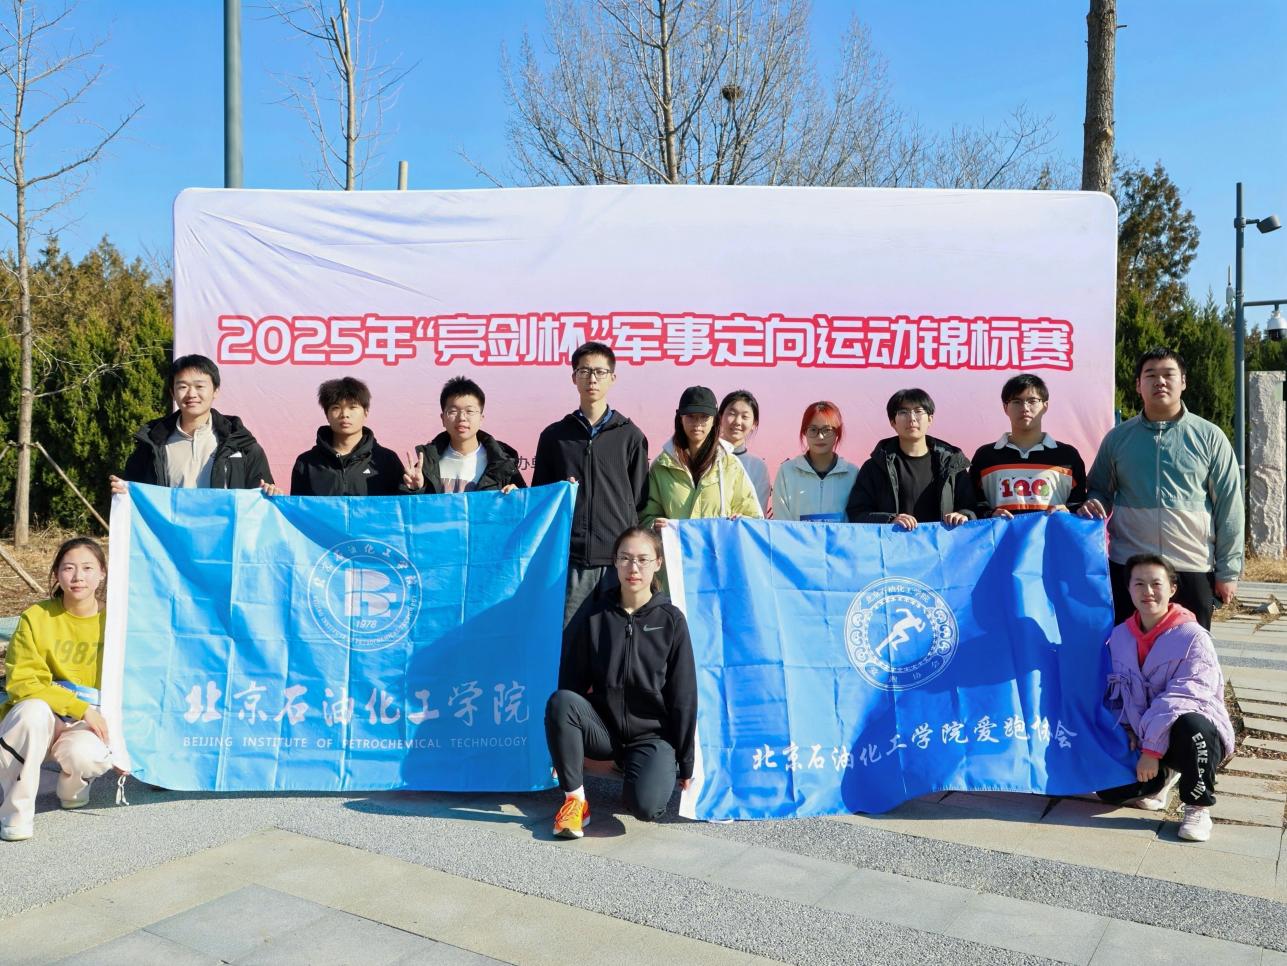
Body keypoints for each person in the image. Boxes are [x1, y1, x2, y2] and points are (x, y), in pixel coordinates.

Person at [544, 526, 696, 838]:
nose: (633, 567)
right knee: (561, 701)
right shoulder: (595, 615)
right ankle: (575, 802)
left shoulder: (671, 620)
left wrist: (686, 762)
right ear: (614, 561)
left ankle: (639, 768)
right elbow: (571, 682)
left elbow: (684, 696)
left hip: (651, 736)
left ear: (658, 563)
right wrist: (560, 747)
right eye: (625, 558)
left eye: (642, 559)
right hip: (605, 731)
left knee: (646, 808)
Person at [1080, 347, 1243, 629]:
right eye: (1151, 375)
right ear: (1138, 385)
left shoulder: (1210, 437)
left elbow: (1229, 507)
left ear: (1183, 382)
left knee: (1189, 648)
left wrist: (1228, 572)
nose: (1160, 382)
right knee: (1129, 647)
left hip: (1191, 565)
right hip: (1130, 566)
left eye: (1169, 374)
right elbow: (1098, 490)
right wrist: (1094, 503)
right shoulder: (1118, 439)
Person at [1096, 554, 1234, 843]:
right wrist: (1125, 728)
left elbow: (1186, 696)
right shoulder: (1119, 637)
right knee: (1110, 792)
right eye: (1139, 584)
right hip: (1144, 735)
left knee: (1193, 726)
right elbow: (1115, 693)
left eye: (1156, 584)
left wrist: (1152, 749)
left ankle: (1197, 805)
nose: (1148, 591)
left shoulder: (1193, 636)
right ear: (1128, 589)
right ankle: (1161, 779)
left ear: (1172, 588)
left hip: (1187, 733)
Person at [0, 538, 114, 842]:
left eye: (87, 568)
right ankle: (15, 813)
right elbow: (22, 681)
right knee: (32, 712)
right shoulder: (36, 617)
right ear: (56, 574)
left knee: (86, 757)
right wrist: (79, 708)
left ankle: (74, 785)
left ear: (102, 573)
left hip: (87, 724)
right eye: (68, 568)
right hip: (43, 718)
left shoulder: (116, 622)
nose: (78, 577)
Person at [532, 342, 650, 630]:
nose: (592, 379)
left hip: (618, 562)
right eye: (584, 371)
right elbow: (541, 496)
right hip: (570, 561)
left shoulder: (630, 437)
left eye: (600, 372)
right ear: (574, 377)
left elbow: (638, 499)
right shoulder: (555, 437)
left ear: (612, 378)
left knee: (616, 638)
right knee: (569, 639)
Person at [110, 354, 273, 494]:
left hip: (224, 523)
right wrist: (125, 493)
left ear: (215, 390)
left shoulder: (241, 443)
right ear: (172, 392)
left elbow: (261, 497)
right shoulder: (151, 444)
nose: (191, 394)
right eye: (183, 387)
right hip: (171, 523)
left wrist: (271, 492)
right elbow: (137, 494)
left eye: (199, 386)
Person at [845, 388, 976, 529]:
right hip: (894, 542)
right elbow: (858, 513)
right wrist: (890, 520)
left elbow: (972, 508)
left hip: (943, 542)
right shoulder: (875, 466)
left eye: (918, 411)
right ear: (893, 422)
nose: (912, 418)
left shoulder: (952, 463)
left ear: (930, 419)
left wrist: (964, 515)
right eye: (903, 412)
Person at [641, 386, 763, 528]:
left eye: (704, 417)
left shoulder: (730, 464)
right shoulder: (661, 466)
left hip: (718, 543)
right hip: (676, 543)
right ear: (680, 418)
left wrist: (743, 521)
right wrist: (655, 525)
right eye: (691, 416)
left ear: (714, 420)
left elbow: (754, 518)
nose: (697, 423)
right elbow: (646, 518)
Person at [970, 373, 1087, 518]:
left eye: (1032, 401)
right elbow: (972, 505)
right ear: (1005, 407)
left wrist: (1068, 512)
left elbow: (1080, 506)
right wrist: (990, 514)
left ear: (1045, 406)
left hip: (1052, 534)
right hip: (1002, 534)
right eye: (1016, 401)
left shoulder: (1068, 456)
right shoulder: (985, 456)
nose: (1025, 408)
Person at [401, 376, 526, 494]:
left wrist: (517, 497)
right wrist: (416, 490)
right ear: (443, 418)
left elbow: (527, 505)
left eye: (469, 411)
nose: (461, 418)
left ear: (481, 418)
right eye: (453, 411)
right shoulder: (427, 465)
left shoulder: (502, 463)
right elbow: (407, 506)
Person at [290, 377, 404, 496]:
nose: (345, 414)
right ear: (327, 415)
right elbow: (298, 506)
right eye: (336, 408)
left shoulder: (386, 460)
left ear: (366, 412)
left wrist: (413, 489)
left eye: (352, 407)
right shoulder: (307, 463)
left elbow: (402, 505)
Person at [772, 401, 858, 522]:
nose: (820, 436)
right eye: (813, 429)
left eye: (827, 430)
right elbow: (781, 521)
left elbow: (857, 518)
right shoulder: (787, 471)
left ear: (837, 432)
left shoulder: (852, 474)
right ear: (804, 432)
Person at [718, 390, 770, 515]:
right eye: (732, 414)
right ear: (720, 417)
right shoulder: (705, 458)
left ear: (754, 424)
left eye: (745, 417)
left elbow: (757, 514)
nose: (737, 421)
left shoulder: (758, 466)